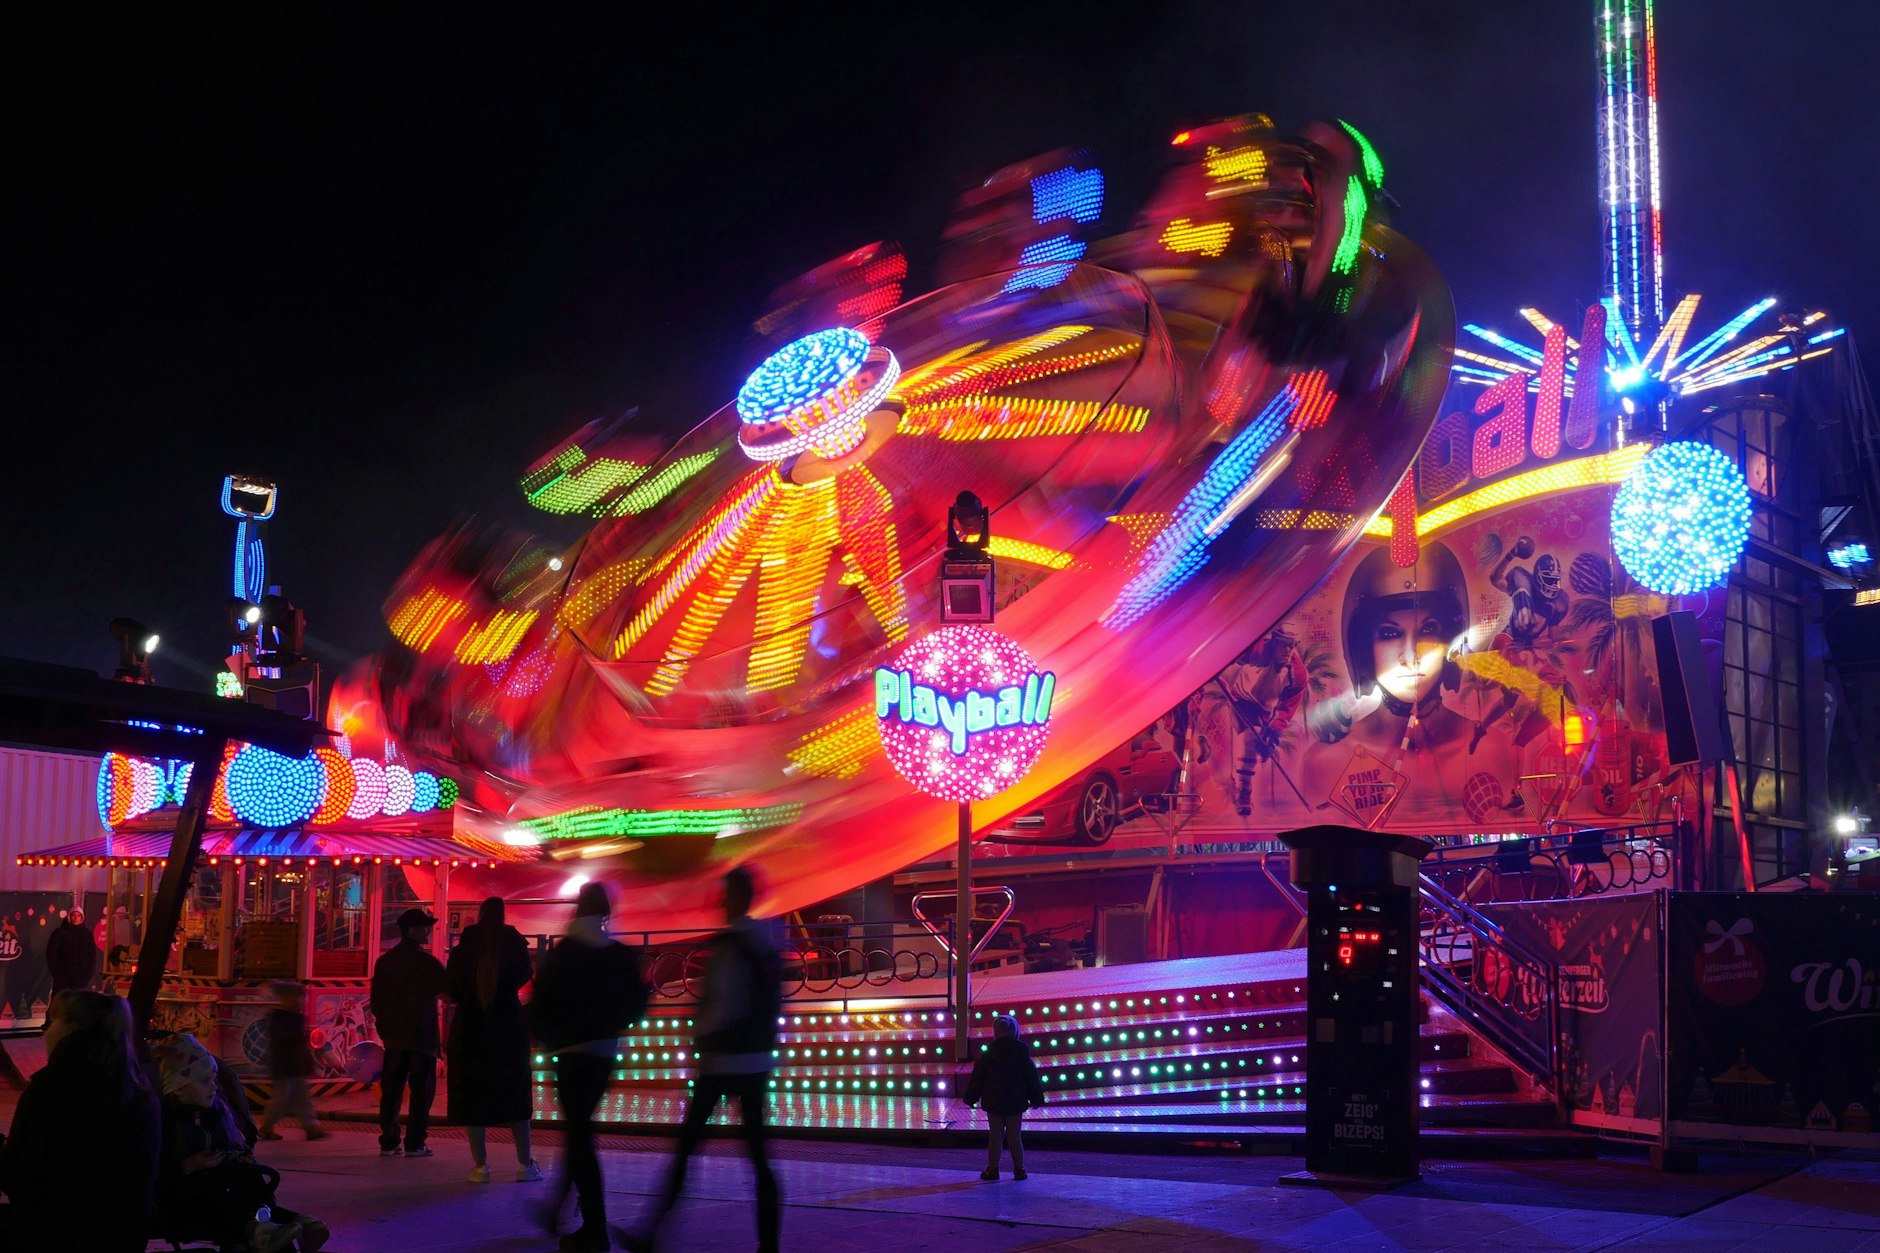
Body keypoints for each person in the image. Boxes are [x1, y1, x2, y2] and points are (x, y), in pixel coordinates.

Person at [619, 866, 780, 1253]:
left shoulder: (730, 945)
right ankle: (770, 1243)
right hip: (755, 1061)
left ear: (737, 898)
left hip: (722, 1061)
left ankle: (651, 1233)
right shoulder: (764, 943)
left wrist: (698, 1033)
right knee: (759, 1156)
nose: (720, 903)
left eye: (725, 895)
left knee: (686, 1149)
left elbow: (722, 1003)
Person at [530, 881, 648, 1253]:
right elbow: (638, 1002)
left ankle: (595, 1227)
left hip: (570, 1052)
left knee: (579, 1136)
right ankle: (557, 1210)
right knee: (579, 1132)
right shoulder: (618, 955)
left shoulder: (566, 953)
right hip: (603, 1051)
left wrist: (548, 1036)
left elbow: (541, 1001)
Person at [0, 990, 160, 1251]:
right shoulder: (140, 1092)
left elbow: (19, 1175)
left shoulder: (51, 1088)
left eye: (51, 1022)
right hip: (124, 1235)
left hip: (55, 1233)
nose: (45, 1032)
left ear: (71, 1028)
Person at [153, 1031, 329, 1253]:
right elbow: (154, 1171)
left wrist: (237, 1156)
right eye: (205, 1081)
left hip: (221, 1187)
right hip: (186, 1198)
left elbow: (229, 1145)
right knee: (215, 1190)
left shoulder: (215, 1114)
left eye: (214, 1080)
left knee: (251, 1179)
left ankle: (287, 1224)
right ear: (178, 1089)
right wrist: (188, 1166)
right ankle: (266, 1228)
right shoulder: (166, 1123)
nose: (214, 1087)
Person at [446, 896, 543, 1183]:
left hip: (470, 1028)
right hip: (507, 1028)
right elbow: (525, 971)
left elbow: (452, 986)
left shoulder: (466, 944)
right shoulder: (512, 940)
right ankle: (525, 1165)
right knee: (515, 1097)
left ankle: (480, 1166)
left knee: (474, 1098)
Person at [370, 906, 447, 1158]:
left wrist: (384, 1026)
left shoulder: (385, 962)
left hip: (393, 1036)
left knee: (391, 1091)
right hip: (421, 1036)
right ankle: (415, 1142)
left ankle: (389, 1140)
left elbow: (376, 1000)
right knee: (421, 1092)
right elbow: (448, 992)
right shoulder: (427, 963)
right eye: (425, 927)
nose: (429, 931)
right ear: (412, 931)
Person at [962, 1013, 1045, 1180]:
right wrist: (1036, 1099)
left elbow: (977, 1079)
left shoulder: (987, 1057)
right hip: (1016, 1101)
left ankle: (992, 1170)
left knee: (995, 1137)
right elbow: (1032, 1079)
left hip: (994, 1101)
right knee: (1015, 1136)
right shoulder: (1023, 1056)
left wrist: (970, 1098)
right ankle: (1019, 1169)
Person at [258, 980, 330, 1141]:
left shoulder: (292, 1017)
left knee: (302, 1097)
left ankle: (311, 1127)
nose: (303, 1000)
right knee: (283, 1099)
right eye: (301, 996)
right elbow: (286, 1040)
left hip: (293, 1065)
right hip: (286, 1065)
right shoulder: (282, 1018)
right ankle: (267, 1127)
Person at [44, 905, 98, 997]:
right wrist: (57, 973)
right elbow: (51, 954)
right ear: (69, 916)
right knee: (60, 1004)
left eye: (78, 915)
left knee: (78, 1005)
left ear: (82, 918)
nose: (76, 918)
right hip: (62, 978)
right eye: (73, 915)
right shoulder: (59, 933)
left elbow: (92, 955)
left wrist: (88, 974)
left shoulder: (87, 934)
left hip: (80, 979)